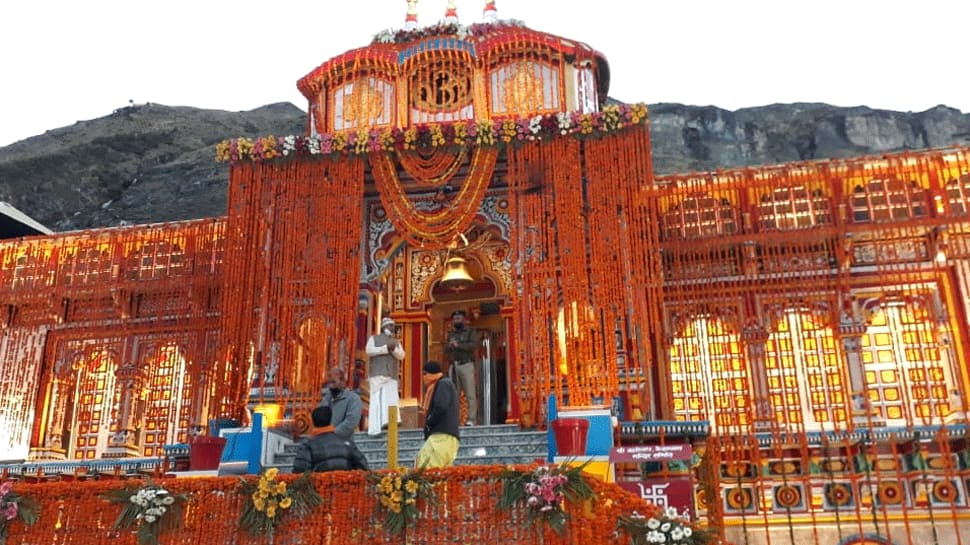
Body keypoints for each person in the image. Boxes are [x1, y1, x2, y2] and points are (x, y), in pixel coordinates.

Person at [292, 406, 369, 473]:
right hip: (346, 487)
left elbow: (300, 472)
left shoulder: (307, 445)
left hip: (320, 488)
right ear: (330, 420)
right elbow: (363, 466)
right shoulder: (347, 442)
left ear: (313, 422)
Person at [365, 316, 406, 436]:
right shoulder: (374, 338)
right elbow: (369, 350)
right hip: (377, 374)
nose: (392, 328)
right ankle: (376, 427)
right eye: (390, 326)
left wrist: (393, 349)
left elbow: (402, 355)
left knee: (391, 399)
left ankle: (390, 422)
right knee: (377, 399)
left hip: (391, 375)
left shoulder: (395, 341)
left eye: (393, 326)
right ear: (384, 327)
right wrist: (384, 348)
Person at [415, 361, 460, 468]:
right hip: (445, 436)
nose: (423, 377)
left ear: (431, 373)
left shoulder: (443, 384)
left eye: (425, 374)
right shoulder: (442, 384)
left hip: (441, 435)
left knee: (426, 469)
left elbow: (441, 406)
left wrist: (429, 421)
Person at [444, 309, 478, 426]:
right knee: (454, 395)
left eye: (458, 318)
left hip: (466, 364)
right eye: (455, 319)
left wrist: (459, 345)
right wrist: (449, 345)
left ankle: (471, 419)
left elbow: (474, 345)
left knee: (470, 394)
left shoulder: (470, 331)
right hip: (454, 365)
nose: (456, 321)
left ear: (463, 319)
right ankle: (454, 420)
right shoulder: (451, 334)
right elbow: (445, 350)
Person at [321, 366, 363, 440]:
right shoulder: (326, 398)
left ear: (343, 382)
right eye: (329, 383)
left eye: (334, 382)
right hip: (325, 443)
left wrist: (332, 433)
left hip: (343, 444)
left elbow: (351, 422)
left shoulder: (353, 398)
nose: (331, 386)